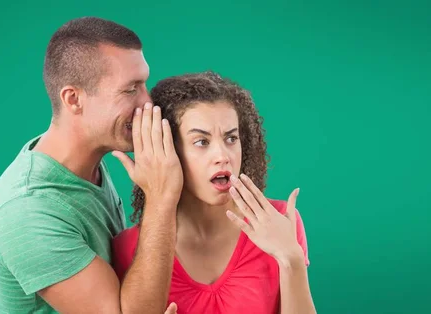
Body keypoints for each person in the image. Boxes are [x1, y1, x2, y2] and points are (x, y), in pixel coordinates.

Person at [0, 17, 182, 314]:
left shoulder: (90, 163)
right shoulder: (26, 211)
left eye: (144, 84)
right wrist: (161, 198)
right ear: (74, 99)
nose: (148, 102)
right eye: (131, 89)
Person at [112, 71, 317, 314]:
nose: (222, 157)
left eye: (231, 139)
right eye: (201, 142)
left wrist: (291, 259)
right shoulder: (128, 248)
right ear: (168, 150)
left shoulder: (280, 221)